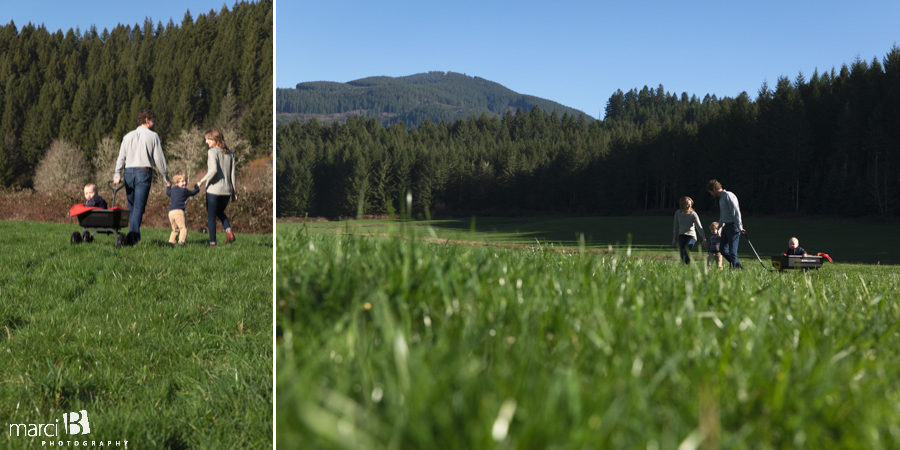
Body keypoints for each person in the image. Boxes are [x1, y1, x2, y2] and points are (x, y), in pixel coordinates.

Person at [113, 109, 170, 245]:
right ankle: (132, 239)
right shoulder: (153, 136)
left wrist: (117, 173)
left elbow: (121, 157)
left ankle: (132, 236)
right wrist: (165, 176)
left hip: (128, 173)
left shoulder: (127, 136)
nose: (154, 122)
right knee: (138, 208)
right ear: (147, 120)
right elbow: (159, 160)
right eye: (153, 120)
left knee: (132, 206)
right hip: (143, 173)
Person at [197, 128, 237, 247]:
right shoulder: (230, 153)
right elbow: (233, 174)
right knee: (220, 212)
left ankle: (212, 244)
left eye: (207, 139)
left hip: (214, 190)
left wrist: (201, 181)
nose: (206, 142)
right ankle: (229, 231)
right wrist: (235, 192)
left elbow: (213, 170)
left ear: (214, 139)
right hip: (227, 191)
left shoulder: (212, 152)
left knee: (211, 217)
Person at [707, 179, 744, 269]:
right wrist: (719, 228)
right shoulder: (721, 198)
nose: (711, 195)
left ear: (714, 189)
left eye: (711, 192)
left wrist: (740, 226)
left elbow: (736, 212)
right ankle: (738, 267)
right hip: (726, 227)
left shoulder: (728, 195)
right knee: (722, 249)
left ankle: (737, 269)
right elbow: (722, 216)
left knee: (732, 252)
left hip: (734, 227)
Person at [165, 172, 200, 246]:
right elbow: (192, 192)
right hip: (178, 211)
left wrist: (168, 186)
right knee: (183, 228)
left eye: (185, 181)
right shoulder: (184, 191)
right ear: (177, 183)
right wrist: (197, 188)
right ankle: (181, 241)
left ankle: (171, 242)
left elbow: (168, 192)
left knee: (175, 229)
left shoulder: (173, 190)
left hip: (171, 212)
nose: (185, 183)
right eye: (182, 182)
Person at [672, 196, 707, 264]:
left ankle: (688, 266)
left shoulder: (693, 214)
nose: (689, 206)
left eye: (690, 204)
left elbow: (699, 227)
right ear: (682, 204)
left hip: (691, 236)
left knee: (686, 250)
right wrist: (674, 239)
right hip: (681, 236)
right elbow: (675, 227)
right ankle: (685, 268)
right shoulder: (677, 213)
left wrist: (704, 239)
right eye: (687, 204)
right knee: (682, 254)